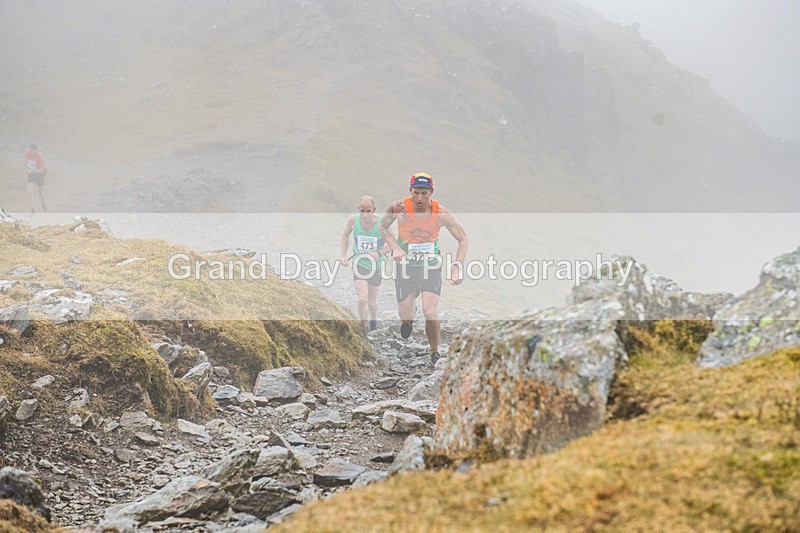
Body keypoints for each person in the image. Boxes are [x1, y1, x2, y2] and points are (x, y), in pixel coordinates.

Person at [379, 173, 468, 363]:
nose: (420, 198)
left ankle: (434, 351)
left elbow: (463, 238)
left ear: (431, 192)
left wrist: (457, 266)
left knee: (430, 311)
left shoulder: (440, 212)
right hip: (405, 266)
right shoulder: (398, 207)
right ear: (410, 191)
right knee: (405, 315)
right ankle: (408, 321)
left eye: (424, 193)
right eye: (416, 192)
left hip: (430, 266)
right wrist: (395, 247)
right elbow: (383, 227)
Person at [341, 196, 393, 333]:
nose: (365, 215)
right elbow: (345, 235)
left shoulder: (382, 223)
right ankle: (364, 326)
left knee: (371, 303)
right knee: (362, 299)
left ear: (374, 210)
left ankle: (374, 321)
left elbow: (394, 244)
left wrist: (379, 253)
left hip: (376, 266)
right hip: (359, 264)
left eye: (368, 211)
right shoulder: (352, 220)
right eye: (362, 211)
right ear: (358, 209)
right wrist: (344, 255)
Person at [23, 144, 47, 213]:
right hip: (32, 175)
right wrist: (25, 169)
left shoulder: (39, 157)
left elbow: (42, 170)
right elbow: (24, 163)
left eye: (34, 150)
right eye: (31, 150)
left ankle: (43, 203)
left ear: (37, 150)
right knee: (30, 192)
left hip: (40, 175)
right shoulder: (28, 155)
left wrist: (32, 171)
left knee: (40, 193)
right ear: (29, 150)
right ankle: (32, 209)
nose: (33, 152)